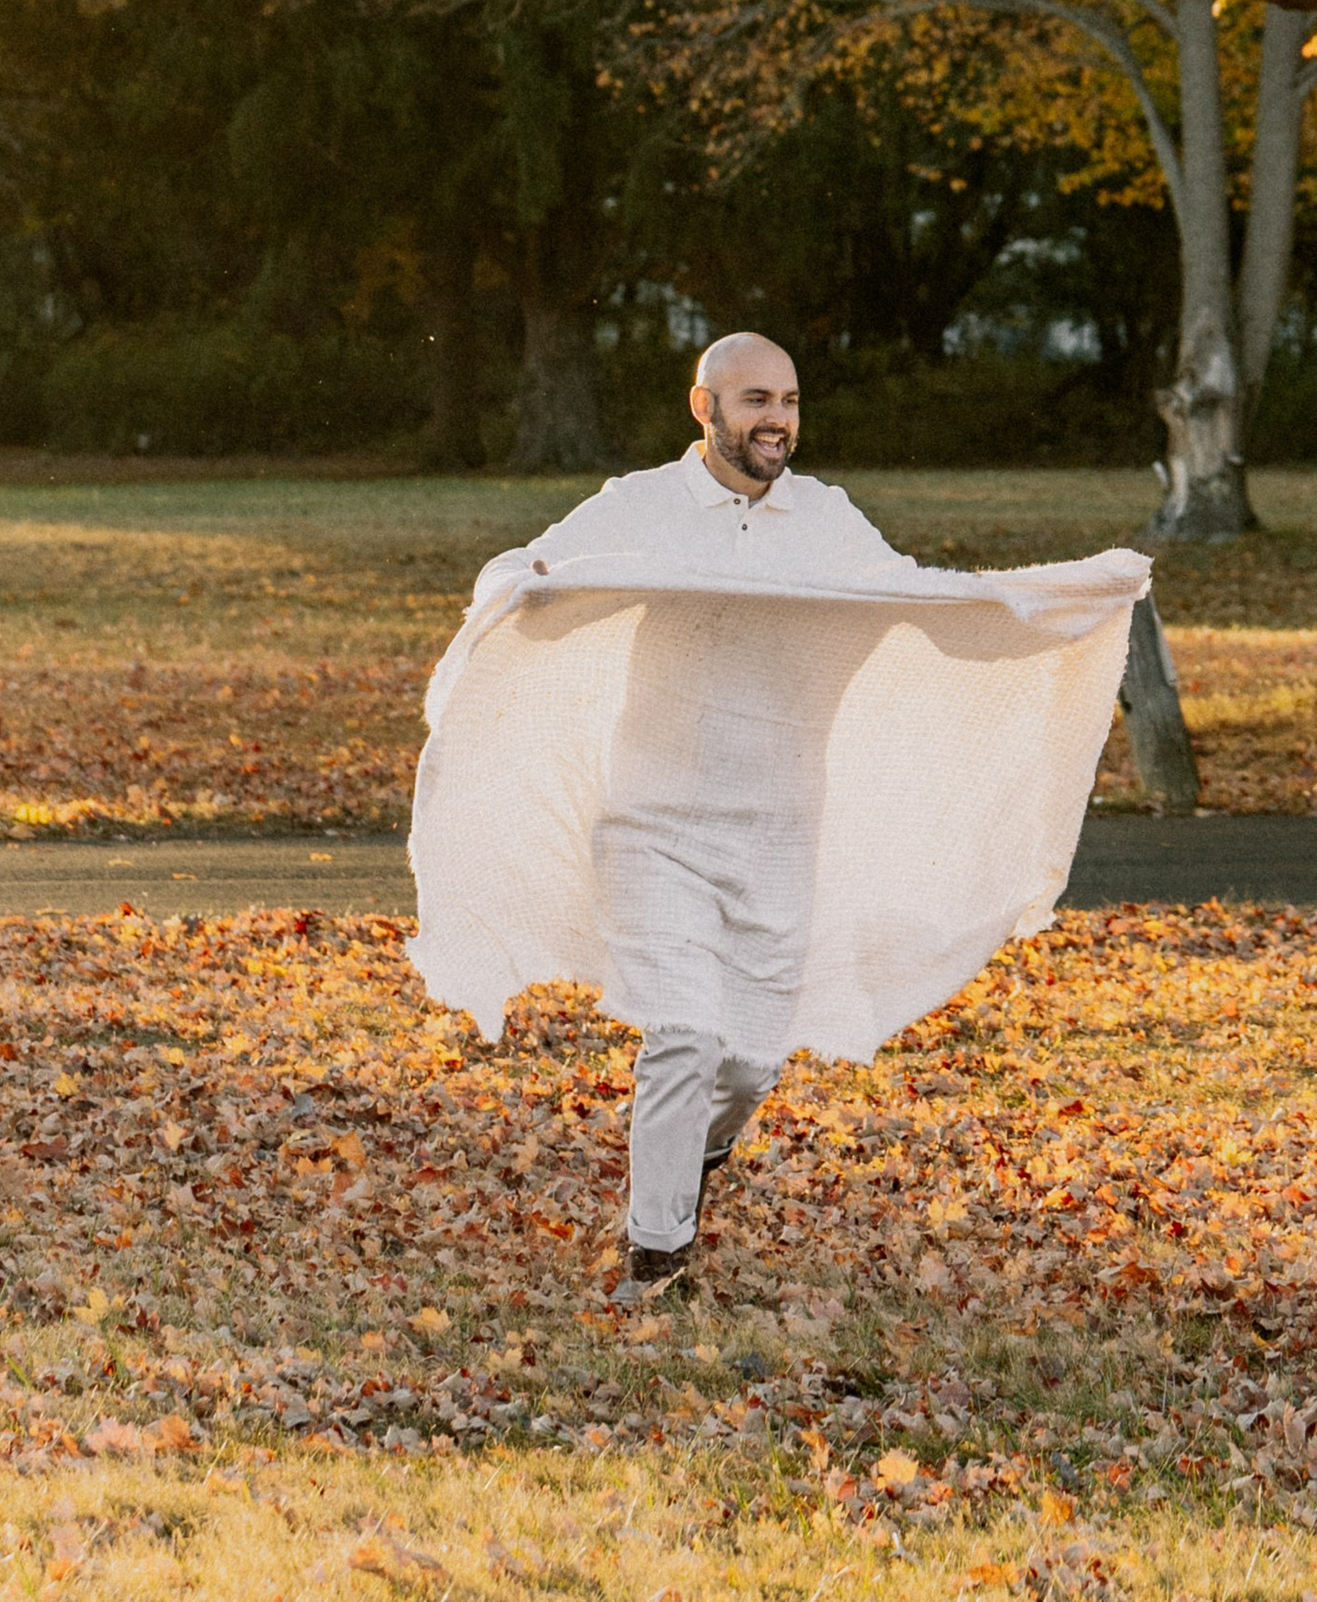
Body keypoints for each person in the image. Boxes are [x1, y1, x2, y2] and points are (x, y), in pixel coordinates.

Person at [408, 332, 1147, 1298]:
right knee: (681, 1030)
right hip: (652, 826)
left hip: (777, 833)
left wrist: (1069, 600)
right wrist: (522, 588)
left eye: (789, 401)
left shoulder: (826, 522)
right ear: (702, 407)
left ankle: (698, 1157)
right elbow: (532, 575)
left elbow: (923, 606)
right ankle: (655, 1255)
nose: (777, 420)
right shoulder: (641, 506)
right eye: (755, 399)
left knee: (749, 1063)